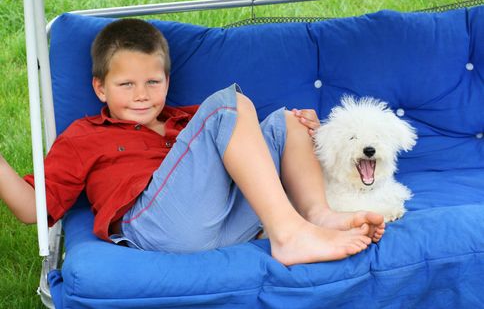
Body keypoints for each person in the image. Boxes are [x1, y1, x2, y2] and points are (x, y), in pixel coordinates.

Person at [0, 19, 385, 266]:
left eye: (153, 82)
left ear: (167, 81)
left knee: (288, 120)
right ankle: (290, 236)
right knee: (229, 105)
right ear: (100, 88)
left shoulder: (184, 122)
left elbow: (247, 142)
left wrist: (308, 130)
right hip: (154, 225)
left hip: (227, 222)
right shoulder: (85, 135)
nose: (141, 95)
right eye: (125, 85)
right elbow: (31, 210)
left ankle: (315, 216)